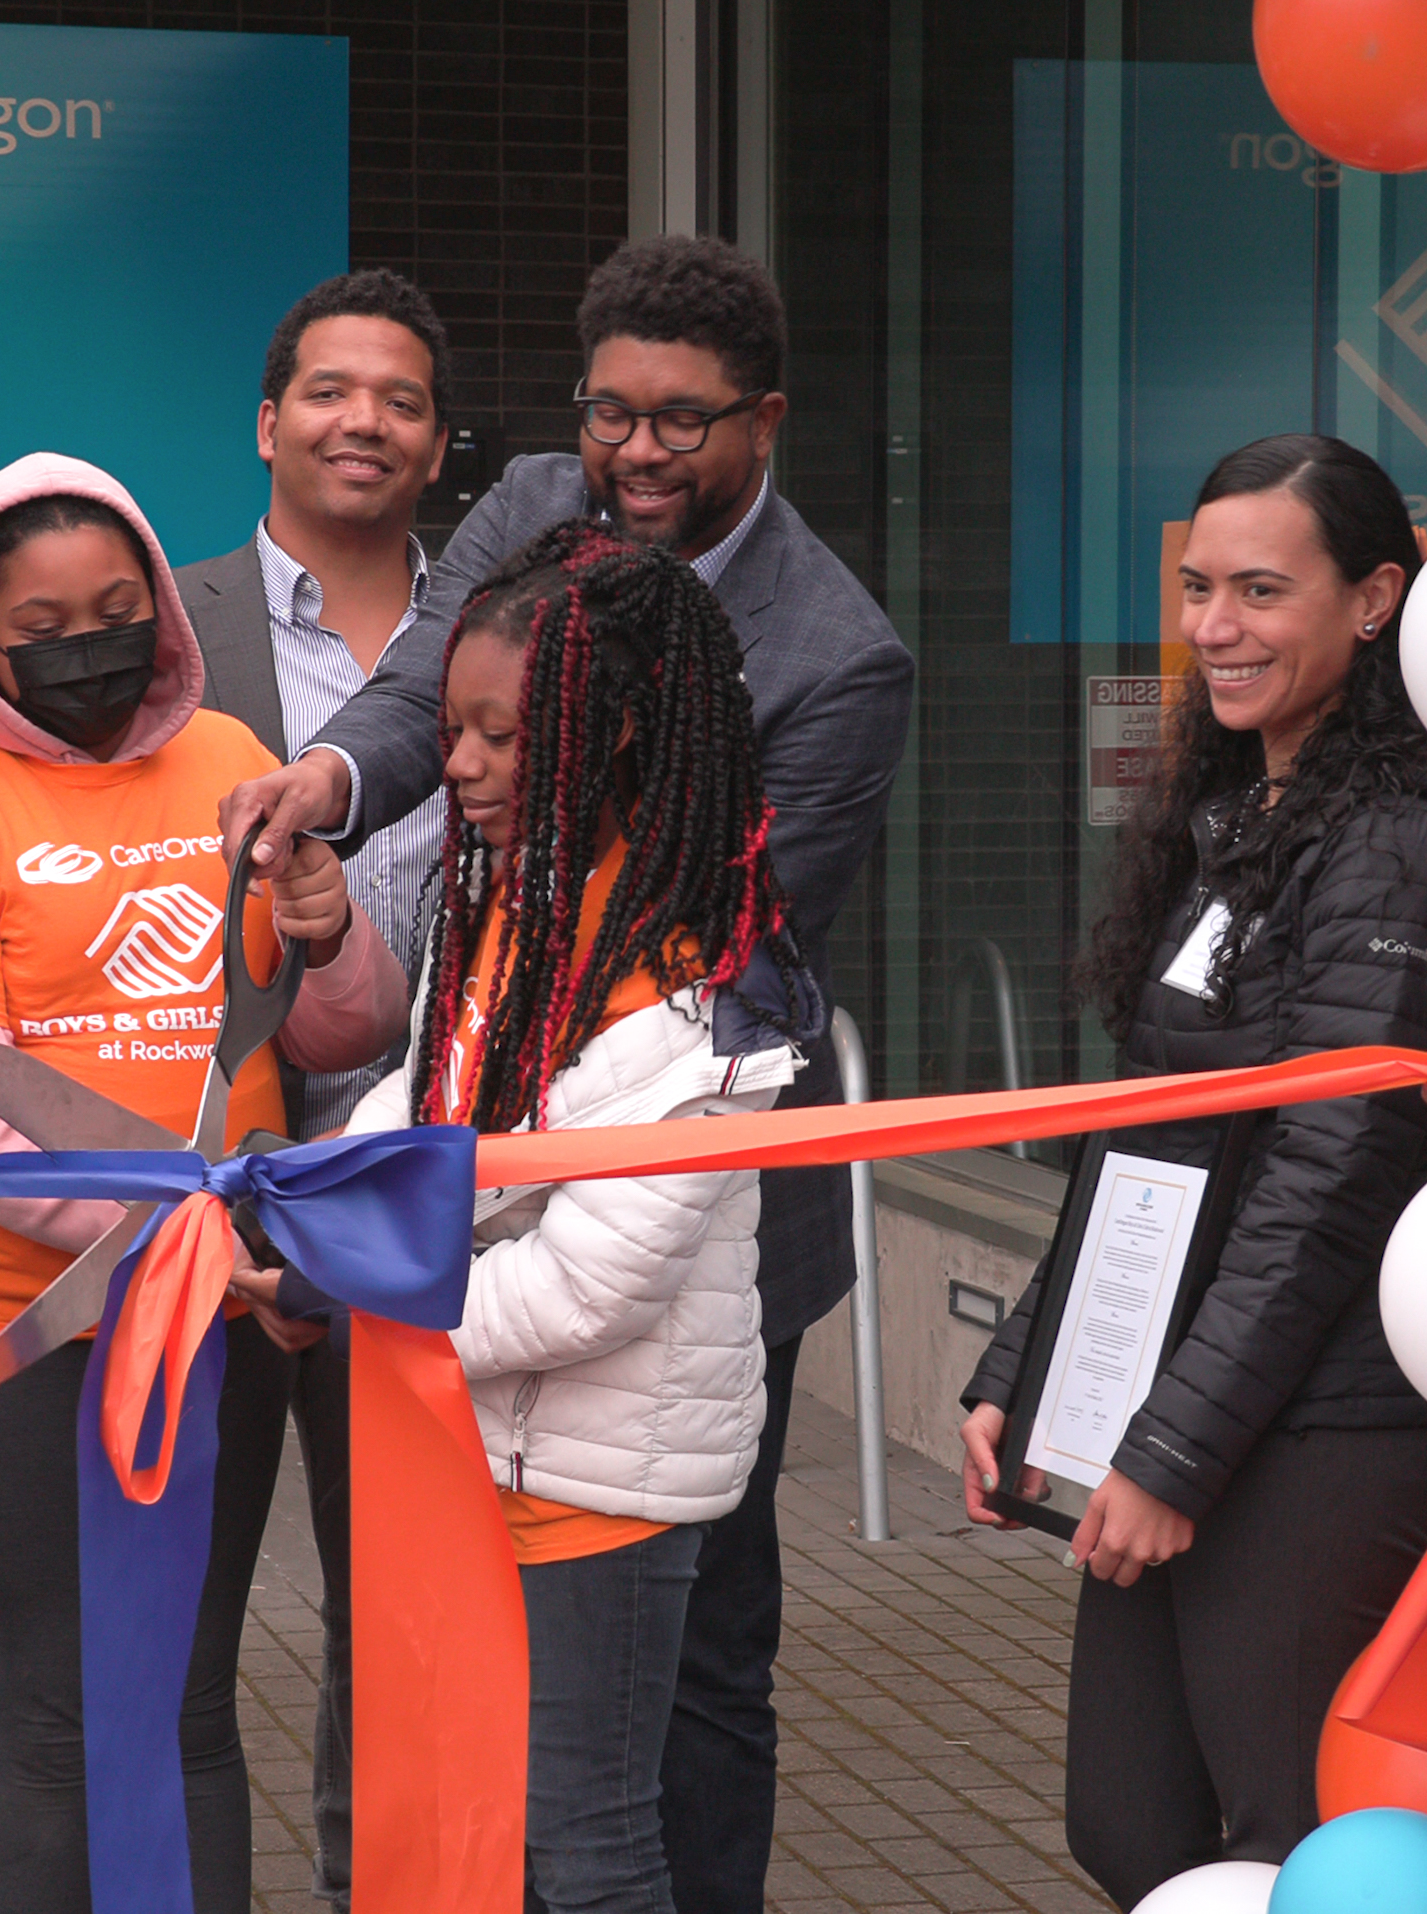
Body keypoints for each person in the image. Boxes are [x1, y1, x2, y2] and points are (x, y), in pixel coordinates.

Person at [222, 236, 914, 1912]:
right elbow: (417, 696)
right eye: (611, 413)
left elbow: (731, 947)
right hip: (477, 1196)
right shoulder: (539, 494)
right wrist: (327, 779)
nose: (637, 457)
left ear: (765, 420)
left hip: (680, 1240)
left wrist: (401, 1251)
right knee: (460, 1678)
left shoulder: (835, 652)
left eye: (683, 422)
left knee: (678, 1685)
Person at [0, 452, 406, 1914]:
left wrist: (329, 932)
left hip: (220, 1313)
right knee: (62, 1720)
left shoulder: (227, 757)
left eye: (117, 607)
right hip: (13, 1332)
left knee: (195, 1706)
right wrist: (206, 1240)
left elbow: (332, 1040)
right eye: (41, 622)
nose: (87, 644)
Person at [953, 437, 1427, 1904]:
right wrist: (1024, 1362)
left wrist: (1169, 1452)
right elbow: (1147, 1136)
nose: (1215, 626)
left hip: (1323, 1426)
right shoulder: (1233, 820)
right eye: (1199, 587)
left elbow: (1329, 1173)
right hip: (1180, 1400)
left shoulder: (1399, 844)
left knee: (1283, 1839)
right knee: (1125, 1825)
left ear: (1376, 599)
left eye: (1262, 590)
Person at [278, 518, 809, 1913]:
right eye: (453, 728)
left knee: (585, 1847)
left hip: (598, 1491)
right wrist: (302, 1202)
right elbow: (421, 1098)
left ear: (616, 732)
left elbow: (588, 1291)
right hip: (468, 1451)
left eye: (499, 737)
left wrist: (356, 1302)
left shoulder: (708, 991)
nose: (455, 767)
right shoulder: (507, 905)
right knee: (473, 1826)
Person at [170, 267, 454, 1912]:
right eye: (333, 392)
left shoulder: (486, 625)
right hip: (220, 1186)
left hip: (438, 1190)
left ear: (434, 440)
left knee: (400, 1615)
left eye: (402, 400)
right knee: (183, 1618)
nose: (366, 422)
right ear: (269, 420)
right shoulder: (173, 623)